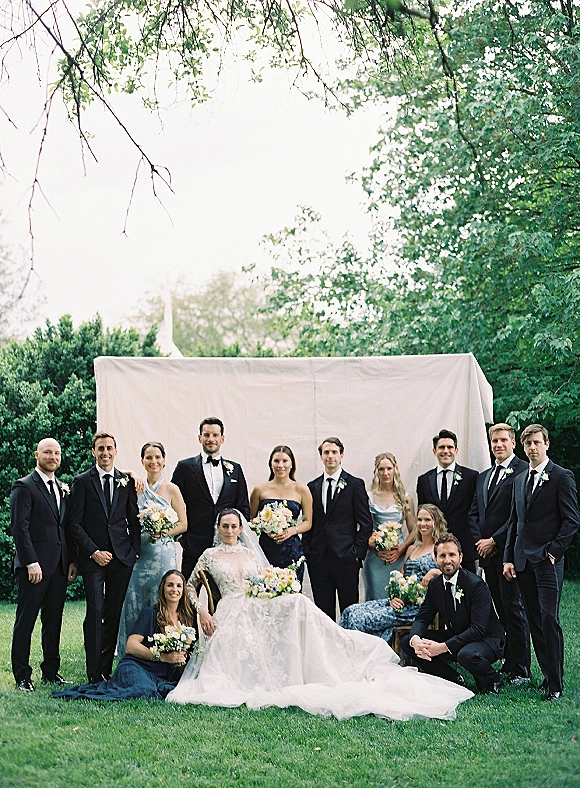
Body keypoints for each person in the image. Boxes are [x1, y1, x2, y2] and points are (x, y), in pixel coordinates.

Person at [166, 509, 473, 720]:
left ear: (240, 528)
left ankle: (328, 649)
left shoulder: (249, 553)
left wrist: (277, 585)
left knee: (297, 603)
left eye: (235, 526)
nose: (231, 531)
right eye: (226, 527)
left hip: (259, 602)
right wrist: (203, 610)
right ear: (218, 528)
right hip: (231, 608)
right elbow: (191, 586)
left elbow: (264, 579)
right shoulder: (209, 554)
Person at [503, 424, 580, 701]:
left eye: (537, 443)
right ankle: (547, 677)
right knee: (534, 621)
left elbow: (572, 520)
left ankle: (556, 685)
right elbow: (515, 521)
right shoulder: (520, 479)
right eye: (528, 444)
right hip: (523, 561)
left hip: (548, 562)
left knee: (549, 620)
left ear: (546, 444)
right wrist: (509, 558)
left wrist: (553, 552)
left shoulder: (561, 477)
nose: (532, 448)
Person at [66, 431, 141, 683]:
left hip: (121, 559)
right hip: (93, 559)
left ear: (116, 451)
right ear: (93, 451)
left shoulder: (125, 481)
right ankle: (93, 672)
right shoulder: (82, 481)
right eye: (101, 448)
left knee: (113, 614)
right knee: (95, 611)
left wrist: (134, 551)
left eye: (109, 448)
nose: (105, 452)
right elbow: (74, 524)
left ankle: (105, 670)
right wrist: (93, 552)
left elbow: (133, 519)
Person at [53, 571, 195, 701]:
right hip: (136, 666)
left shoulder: (187, 619)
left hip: (162, 675)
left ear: (183, 591)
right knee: (144, 691)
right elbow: (131, 646)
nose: (174, 590)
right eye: (169, 585)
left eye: (179, 586)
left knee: (171, 691)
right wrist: (162, 657)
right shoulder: (150, 613)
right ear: (162, 589)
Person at [10, 438, 77, 691]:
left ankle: (51, 671)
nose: (53, 457)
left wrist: (71, 561)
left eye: (57, 453)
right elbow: (20, 527)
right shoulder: (24, 486)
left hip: (59, 568)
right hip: (34, 569)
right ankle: (22, 677)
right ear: (37, 454)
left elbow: (64, 528)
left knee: (53, 622)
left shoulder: (62, 487)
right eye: (48, 452)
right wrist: (30, 562)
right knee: (25, 621)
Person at [401, 533, 505, 693]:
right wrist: (416, 640)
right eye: (442, 555)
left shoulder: (476, 585)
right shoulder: (435, 585)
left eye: (452, 555)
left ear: (461, 557)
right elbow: (422, 618)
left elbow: (478, 629)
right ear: (435, 559)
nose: (447, 560)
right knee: (407, 641)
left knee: (466, 655)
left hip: (487, 639)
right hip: (457, 635)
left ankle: (493, 679)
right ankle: (452, 678)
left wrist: (443, 647)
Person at [468, 422, 530, 685]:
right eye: (494, 441)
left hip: (509, 555)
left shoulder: (523, 472)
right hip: (487, 556)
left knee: (515, 610)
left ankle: (522, 668)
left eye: (503, 440)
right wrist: (480, 542)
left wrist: (495, 540)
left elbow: (520, 516)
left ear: (513, 443)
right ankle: (508, 658)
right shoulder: (484, 476)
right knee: (500, 610)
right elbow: (474, 513)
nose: (498, 445)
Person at [117, 442, 187, 657]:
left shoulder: (172, 489)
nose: (153, 461)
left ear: (164, 460)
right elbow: (115, 473)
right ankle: (133, 653)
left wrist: (163, 532)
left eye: (157, 457)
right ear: (142, 461)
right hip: (140, 555)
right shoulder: (134, 485)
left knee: (163, 601)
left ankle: (165, 650)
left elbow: (183, 524)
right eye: (148, 457)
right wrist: (130, 473)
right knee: (135, 600)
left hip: (164, 555)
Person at [340, 504, 444, 643]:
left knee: (358, 618)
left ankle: (364, 655)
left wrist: (434, 572)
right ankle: (345, 655)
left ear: (435, 522)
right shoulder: (412, 548)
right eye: (419, 520)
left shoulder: (439, 549)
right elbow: (399, 579)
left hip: (417, 607)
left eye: (427, 520)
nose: (422, 524)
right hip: (400, 603)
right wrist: (394, 597)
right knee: (349, 611)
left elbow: (456, 574)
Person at [171, 417, 250, 582]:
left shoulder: (235, 469)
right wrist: (180, 537)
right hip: (193, 543)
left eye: (215, 435)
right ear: (199, 437)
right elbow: (172, 504)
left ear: (222, 438)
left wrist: (236, 537)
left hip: (226, 546)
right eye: (206, 435)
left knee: (224, 597)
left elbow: (243, 506)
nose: (211, 439)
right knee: (188, 595)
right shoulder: (185, 467)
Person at [303, 437, 373, 619]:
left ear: (341, 455)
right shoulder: (312, 487)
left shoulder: (354, 484)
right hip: (319, 560)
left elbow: (366, 523)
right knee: (323, 615)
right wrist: (309, 551)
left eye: (334, 452)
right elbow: (309, 522)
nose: (330, 456)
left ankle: (349, 647)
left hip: (346, 560)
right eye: (326, 452)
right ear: (321, 456)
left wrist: (356, 553)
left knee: (349, 612)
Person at [416, 429, 478, 572]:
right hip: (435, 550)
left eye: (450, 447)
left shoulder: (471, 477)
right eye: (441, 447)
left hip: (465, 548)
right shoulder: (424, 480)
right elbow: (423, 514)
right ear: (434, 451)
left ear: (456, 450)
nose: (446, 451)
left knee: (467, 591)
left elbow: (476, 512)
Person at [249, 445, 313, 583]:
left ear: (291, 464)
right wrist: (265, 527)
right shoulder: (259, 490)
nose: (280, 465)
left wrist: (291, 531)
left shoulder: (301, 489)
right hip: (266, 548)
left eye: (285, 461)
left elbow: (308, 522)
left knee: (291, 591)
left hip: (291, 549)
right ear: (271, 464)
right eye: (276, 461)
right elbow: (252, 521)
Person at [362, 452, 417, 600]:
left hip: (397, 558)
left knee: (396, 598)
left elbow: (414, 531)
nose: (385, 473)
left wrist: (400, 550)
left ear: (395, 469)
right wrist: (374, 549)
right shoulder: (369, 497)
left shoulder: (405, 498)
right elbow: (360, 529)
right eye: (381, 469)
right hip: (374, 558)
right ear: (376, 471)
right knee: (375, 598)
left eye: (389, 468)